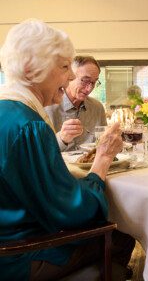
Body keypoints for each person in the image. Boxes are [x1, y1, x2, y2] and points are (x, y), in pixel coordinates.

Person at [0, 19, 135, 281]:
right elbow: (73, 213)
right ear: (31, 69)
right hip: (20, 257)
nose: (72, 76)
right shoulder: (29, 125)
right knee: (123, 235)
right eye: (64, 67)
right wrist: (103, 160)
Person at [45, 55, 106, 151]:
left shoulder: (97, 108)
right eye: (85, 81)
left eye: (94, 82)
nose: (89, 89)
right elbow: (39, 152)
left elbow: (103, 145)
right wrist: (61, 138)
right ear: (70, 77)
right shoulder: (47, 107)